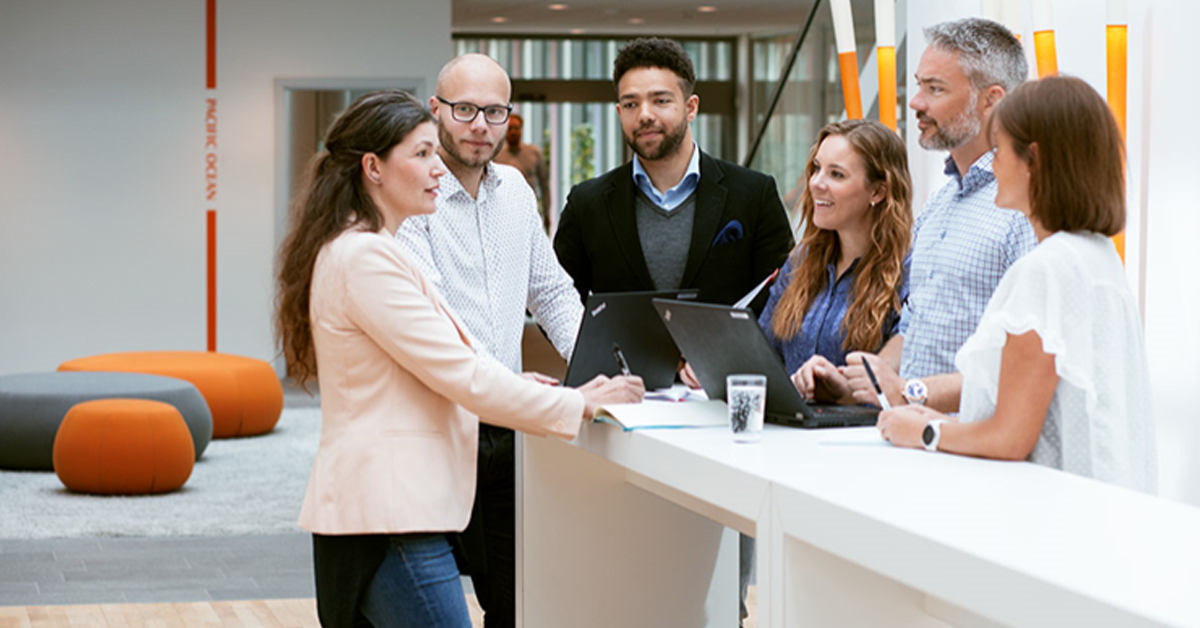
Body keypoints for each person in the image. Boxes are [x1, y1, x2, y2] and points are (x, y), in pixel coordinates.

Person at [274, 90, 644, 628]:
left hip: (399, 509)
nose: (436, 171)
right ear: (373, 168)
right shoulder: (366, 257)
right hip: (388, 514)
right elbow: (462, 373)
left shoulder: (373, 247)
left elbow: (453, 359)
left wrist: (533, 387)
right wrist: (575, 401)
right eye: (421, 155)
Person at [552, 37, 793, 628]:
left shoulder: (751, 193)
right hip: (624, 414)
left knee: (719, 578)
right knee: (633, 566)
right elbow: (558, 299)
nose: (645, 115)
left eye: (660, 99)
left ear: (691, 106)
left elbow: (785, 296)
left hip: (720, 410)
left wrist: (725, 353)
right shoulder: (587, 203)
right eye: (630, 103)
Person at [877, 76, 1157, 493]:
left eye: (1001, 150)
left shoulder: (1045, 271)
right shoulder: (1098, 259)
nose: (992, 165)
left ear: (1034, 159)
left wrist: (924, 431)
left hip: (1050, 516)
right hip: (1106, 503)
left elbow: (1009, 437)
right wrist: (917, 396)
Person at [394, 53, 584, 628]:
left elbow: (551, 293)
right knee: (432, 607)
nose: (479, 125)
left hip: (509, 431)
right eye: (465, 109)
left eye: (494, 111)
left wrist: (596, 364)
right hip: (438, 431)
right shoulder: (414, 200)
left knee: (519, 599)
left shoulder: (517, 192)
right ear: (436, 111)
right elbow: (436, 324)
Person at [838, 18, 1037, 412]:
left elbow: (1024, 366)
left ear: (991, 100)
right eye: (919, 85)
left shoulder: (1026, 211)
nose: (916, 103)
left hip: (976, 452)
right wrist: (870, 379)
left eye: (935, 89)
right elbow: (916, 327)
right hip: (917, 437)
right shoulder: (939, 204)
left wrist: (910, 391)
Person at [758, 119, 912, 403]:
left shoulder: (909, 271)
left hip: (865, 438)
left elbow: (909, 373)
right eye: (817, 169)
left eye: (836, 175)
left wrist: (843, 387)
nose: (816, 183)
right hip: (790, 434)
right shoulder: (801, 261)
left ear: (878, 192)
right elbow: (761, 351)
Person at [493, 112, 552, 232]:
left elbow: (544, 186)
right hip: (502, 210)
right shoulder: (496, 155)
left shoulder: (534, 153)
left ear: (521, 129)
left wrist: (547, 214)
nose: (513, 132)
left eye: (516, 128)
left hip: (528, 209)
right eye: (510, 128)